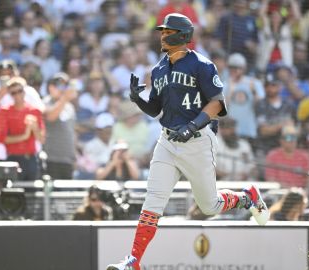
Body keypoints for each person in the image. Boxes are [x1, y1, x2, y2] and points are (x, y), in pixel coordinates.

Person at [106, 13, 269, 270]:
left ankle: (246, 197)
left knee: (209, 206)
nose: (162, 35)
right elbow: (156, 109)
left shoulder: (202, 65)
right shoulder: (159, 68)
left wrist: (192, 125)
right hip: (168, 141)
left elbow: (217, 103)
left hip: (197, 141)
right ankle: (133, 260)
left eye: (167, 31)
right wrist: (138, 100)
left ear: (182, 36)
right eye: (162, 31)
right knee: (153, 201)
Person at [0, 77, 45, 181]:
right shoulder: (5, 111)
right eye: (13, 93)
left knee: (32, 194)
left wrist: (34, 127)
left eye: (20, 91)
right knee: (14, 193)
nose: (17, 95)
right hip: (13, 159)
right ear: (10, 94)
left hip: (31, 158)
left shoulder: (35, 111)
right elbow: (1, 138)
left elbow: (41, 139)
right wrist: (25, 136)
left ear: (24, 91)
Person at [42, 72, 77, 180]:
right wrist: (64, 98)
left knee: (67, 195)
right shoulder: (45, 102)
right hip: (51, 159)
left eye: (65, 85)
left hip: (67, 159)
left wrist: (74, 157)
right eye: (59, 85)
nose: (63, 89)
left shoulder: (69, 107)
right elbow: (51, 116)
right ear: (51, 87)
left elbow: (72, 132)